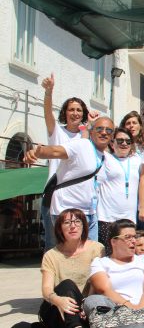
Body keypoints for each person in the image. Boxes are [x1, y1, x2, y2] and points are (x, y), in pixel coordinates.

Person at [25, 116, 115, 242]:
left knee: (92, 251)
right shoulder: (82, 145)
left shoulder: (106, 158)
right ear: (92, 131)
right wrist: (38, 153)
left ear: (112, 136)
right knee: (67, 252)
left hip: (90, 212)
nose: (104, 132)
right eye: (99, 129)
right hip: (67, 210)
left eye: (109, 130)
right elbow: (56, 151)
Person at [85, 219, 144, 327]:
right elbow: (104, 289)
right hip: (115, 310)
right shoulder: (100, 262)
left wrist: (141, 310)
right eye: (128, 237)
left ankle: (138, 323)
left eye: (134, 237)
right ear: (114, 241)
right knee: (93, 300)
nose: (134, 241)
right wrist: (130, 308)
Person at [40, 74, 89, 251]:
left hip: (78, 198)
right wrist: (49, 92)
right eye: (71, 109)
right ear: (65, 113)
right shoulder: (57, 132)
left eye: (79, 110)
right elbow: (48, 114)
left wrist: (88, 127)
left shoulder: (86, 136)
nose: (75, 113)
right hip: (54, 195)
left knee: (78, 246)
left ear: (83, 114)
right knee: (53, 244)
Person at [39, 209, 104, 328]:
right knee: (66, 285)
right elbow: (46, 289)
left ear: (83, 226)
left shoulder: (97, 249)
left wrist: (87, 305)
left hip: (86, 308)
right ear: (60, 228)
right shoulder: (51, 255)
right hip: (58, 307)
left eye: (77, 221)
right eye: (67, 222)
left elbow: (97, 283)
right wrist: (58, 301)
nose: (73, 226)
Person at [97, 127, 142, 251]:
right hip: (107, 218)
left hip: (130, 220)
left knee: (127, 253)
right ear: (112, 143)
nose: (124, 144)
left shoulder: (137, 160)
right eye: (120, 140)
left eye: (128, 141)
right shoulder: (105, 158)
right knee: (108, 254)